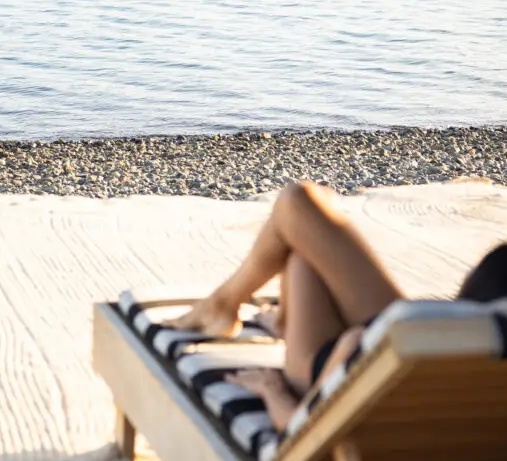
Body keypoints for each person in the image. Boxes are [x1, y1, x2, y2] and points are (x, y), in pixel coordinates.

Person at [166, 181, 507, 435]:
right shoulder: (486, 370)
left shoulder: (369, 342)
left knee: (298, 212)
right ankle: (249, 311)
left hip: (341, 365)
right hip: (423, 364)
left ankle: (224, 306)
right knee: (307, 218)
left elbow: (303, 427)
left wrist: (270, 388)